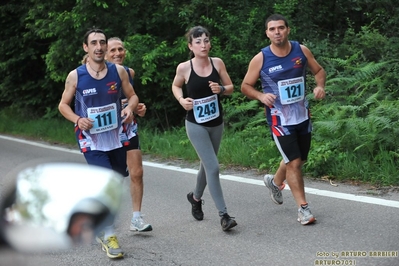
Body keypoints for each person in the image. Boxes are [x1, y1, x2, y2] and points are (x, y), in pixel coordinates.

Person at [58, 28, 139, 258]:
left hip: (115, 137)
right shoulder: (76, 75)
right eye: (93, 43)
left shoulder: (118, 71)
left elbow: (132, 95)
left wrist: (130, 107)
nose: (99, 47)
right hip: (91, 140)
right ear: (86, 47)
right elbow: (63, 105)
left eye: (102, 42)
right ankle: (109, 235)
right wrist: (78, 119)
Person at [241, 14, 326, 225]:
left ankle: (275, 181)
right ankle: (303, 209)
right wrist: (261, 96)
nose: (277, 32)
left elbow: (319, 71)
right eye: (272, 29)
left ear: (287, 29)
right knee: (294, 163)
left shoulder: (301, 50)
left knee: (299, 158)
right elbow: (245, 86)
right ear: (267, 33)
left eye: (280, 28)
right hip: (279, 119)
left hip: (302, 114)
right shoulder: (261, 58)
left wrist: (320, 86)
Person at [171, 26, 237, 231]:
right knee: (214, 167)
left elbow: (231, 88)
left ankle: (195, 197)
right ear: (190, 46)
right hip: (196, 124)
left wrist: (222, 89)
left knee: (206, 166)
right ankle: (224, 215)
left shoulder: (217, 63)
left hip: (216, 123)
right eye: (198, 41)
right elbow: (175, 86)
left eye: (206, 40)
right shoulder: (184, 68)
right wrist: (182, 100)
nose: (203, 45)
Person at [106, 37, 152, 232]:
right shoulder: (95, 75)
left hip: (127, 129)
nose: (118, 53)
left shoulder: (128, 73)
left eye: (121, 49)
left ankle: (136, 219)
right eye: (113, 50)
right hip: (106, 134)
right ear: (105, 54)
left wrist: (137, 109)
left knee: (137, 172)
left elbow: (131, 99)